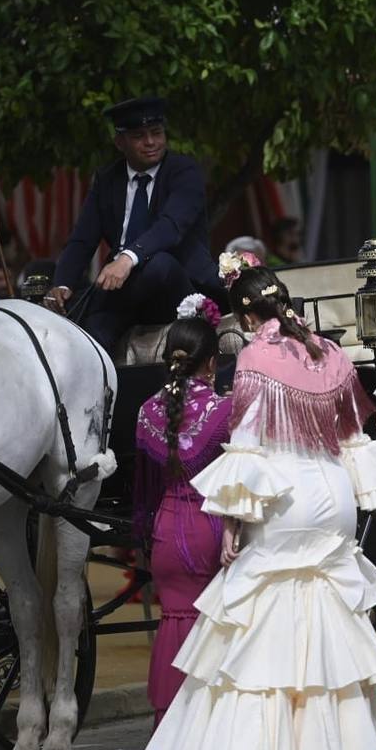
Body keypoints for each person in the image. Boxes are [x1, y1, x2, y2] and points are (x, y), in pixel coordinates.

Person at [144, 260, 376, 750]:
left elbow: (251, 445)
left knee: (258, 619)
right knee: (319, 616)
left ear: (245, 313)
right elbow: (351, 430)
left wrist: (232, 525)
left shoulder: (253, 357)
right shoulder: (329, 353)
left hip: (283, 492)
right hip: (331, 491)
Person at [45, 97, 216, 351]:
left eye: (156, 133)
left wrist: (127, 259)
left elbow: (170, 226)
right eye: (139, 136)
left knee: (159, 263)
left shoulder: (183, 171)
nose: (150, 142)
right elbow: (82, 240)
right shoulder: (107, 179)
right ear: (119, 142)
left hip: (175, 286)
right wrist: (62, 284)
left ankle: (94, 306)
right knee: (92, 336)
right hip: (123, 292)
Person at [134, 295, 230, 726]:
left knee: (173, 628)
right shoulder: (223, 410)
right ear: (210, 363)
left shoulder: (146, 412)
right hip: (209, 533)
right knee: (211, 632)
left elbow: (147, 490)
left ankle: (170, 737)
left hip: (165, 536)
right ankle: (207, 737)